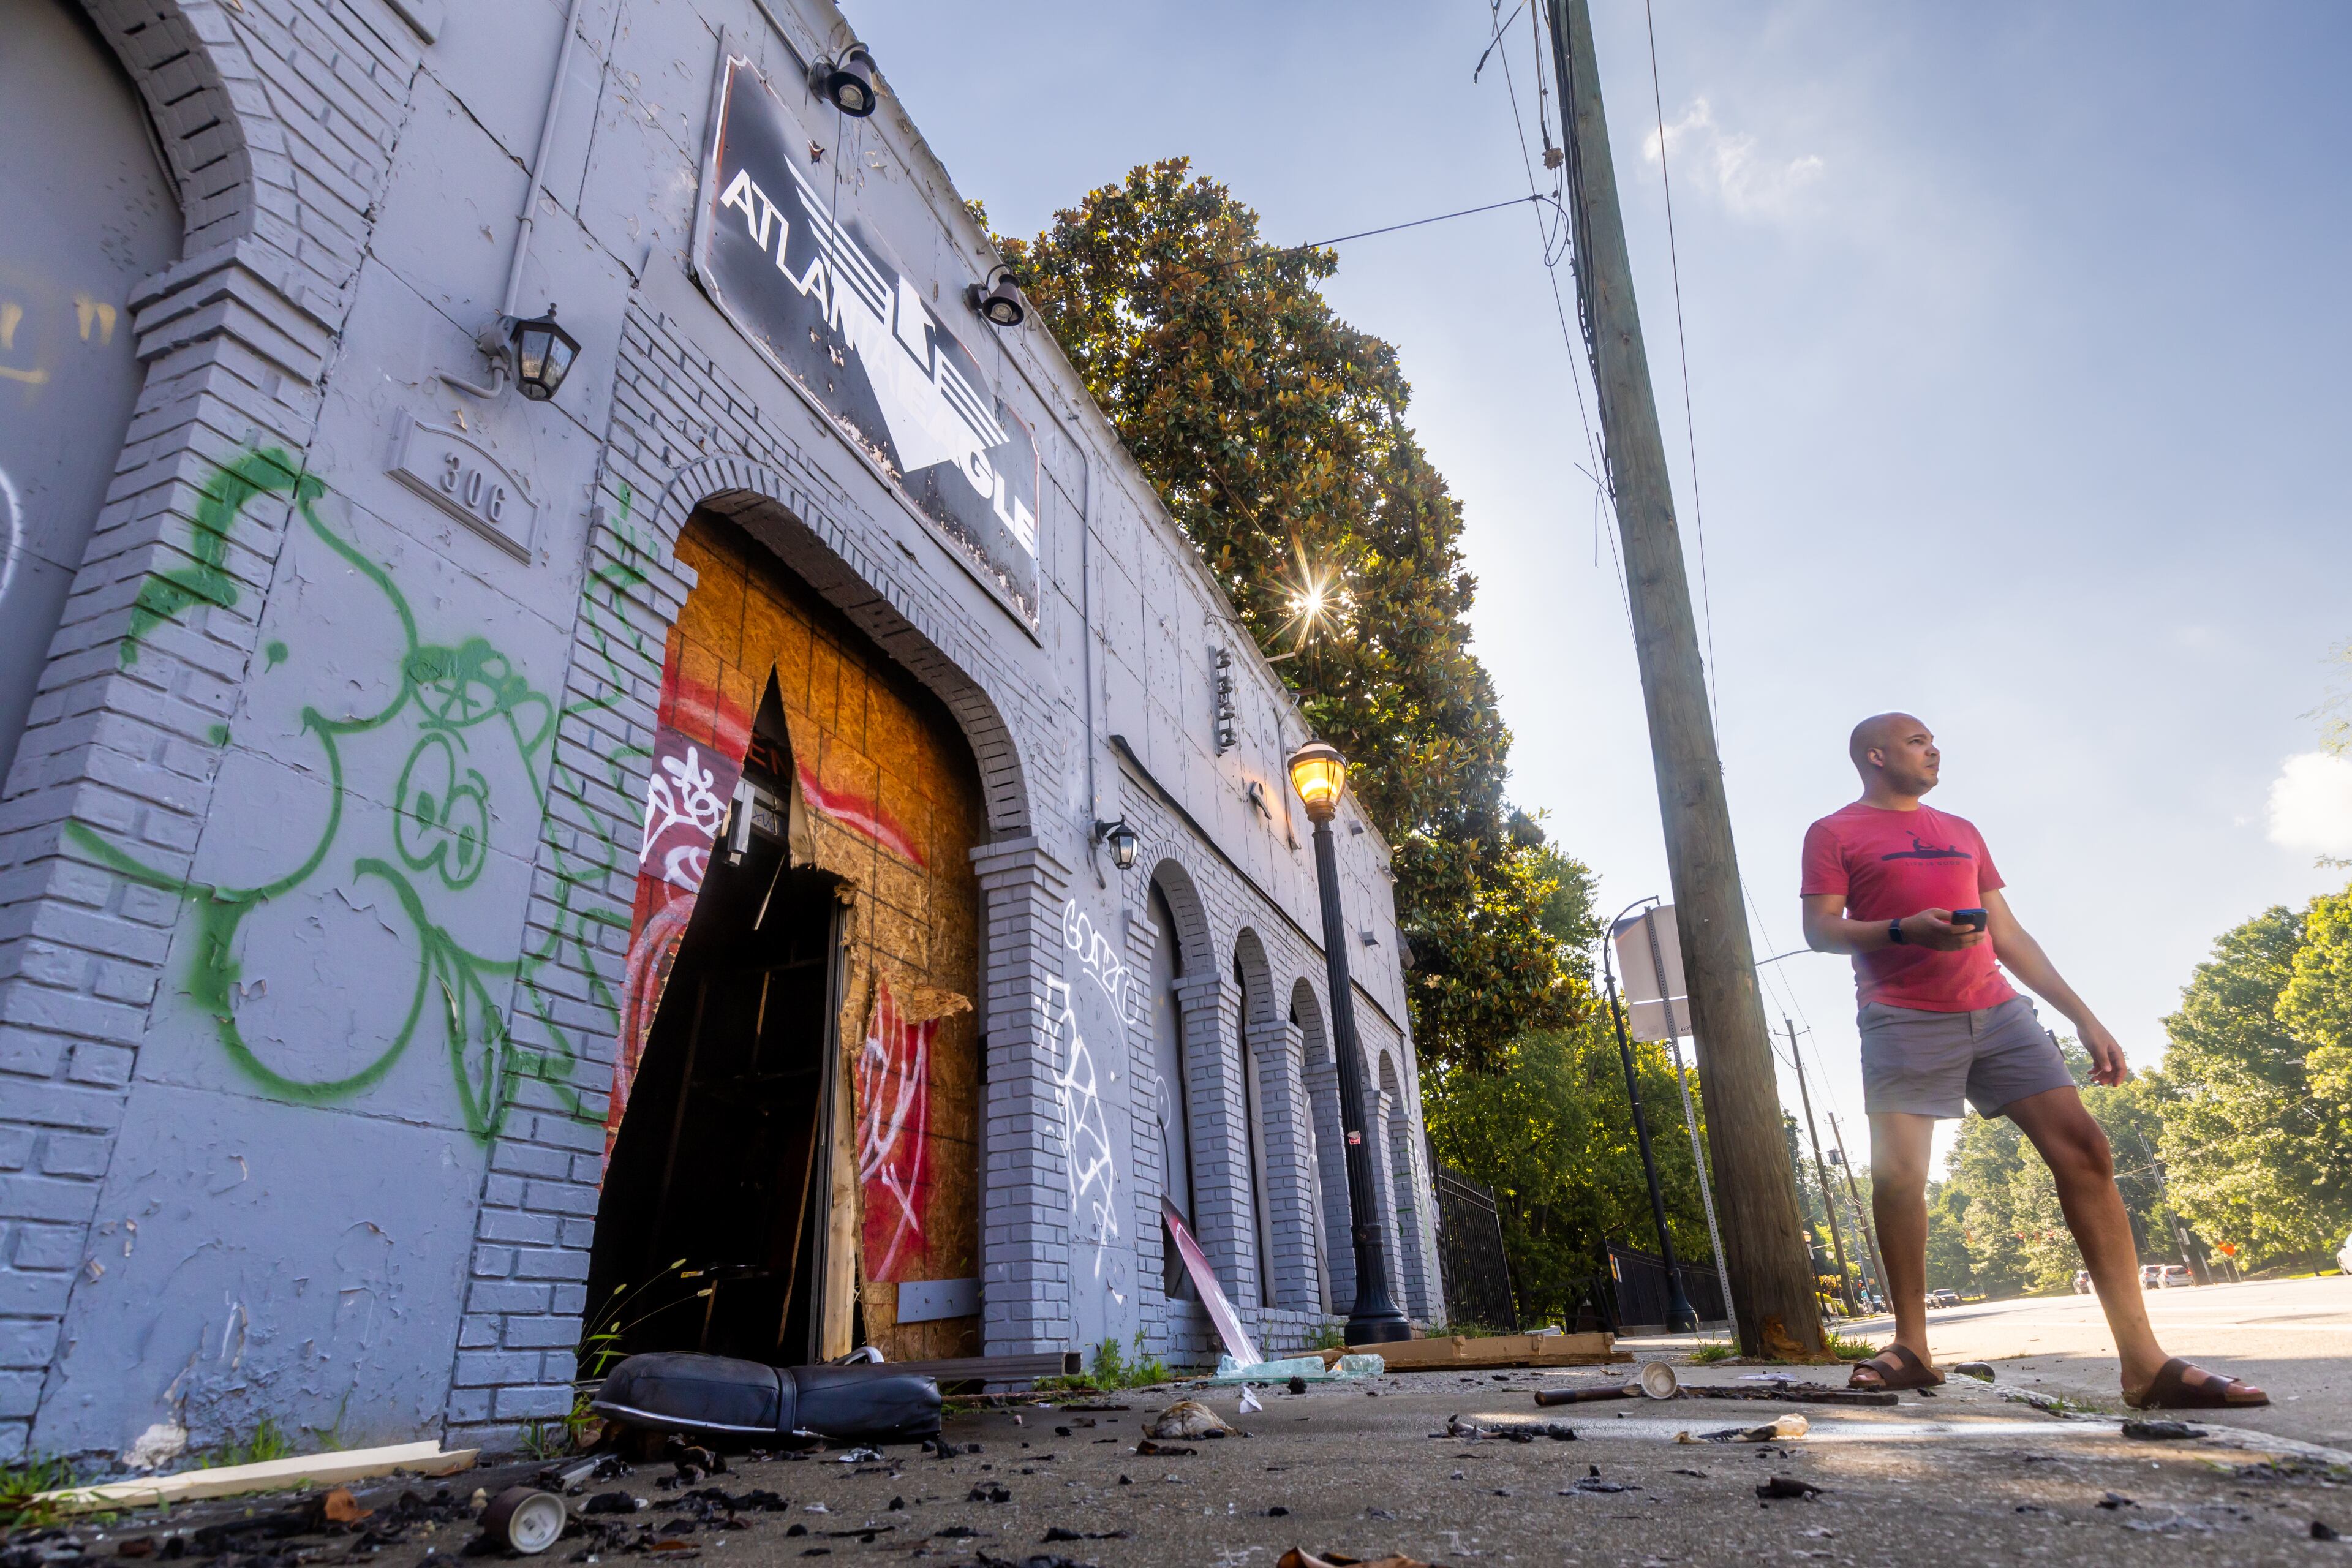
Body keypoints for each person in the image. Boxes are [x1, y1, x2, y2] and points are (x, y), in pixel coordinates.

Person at [1798, 713, 2266, 1408]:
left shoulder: (1962, 830)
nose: (1934, 749)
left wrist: (2085, 1018)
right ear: (1876, 754)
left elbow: (2007, 932)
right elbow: (1821, 929)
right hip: (1901, 1015)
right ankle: (1914, 1345)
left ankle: (2143, 1363)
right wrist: (1905, 929)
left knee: (2087, 1151)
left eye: (1932, 741)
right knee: (1900, 1176)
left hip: (1999, 1008)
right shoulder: (1834, 832)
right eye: (1918, 740)